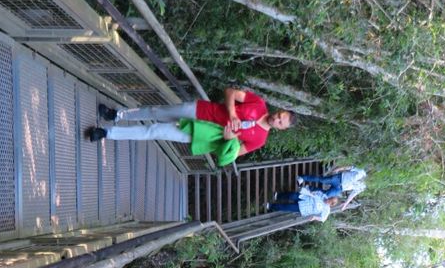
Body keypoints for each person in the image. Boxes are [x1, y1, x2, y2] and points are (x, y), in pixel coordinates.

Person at [87, 88, 293, 161]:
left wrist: (229, 139)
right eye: (280, 115)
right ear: (279, 110)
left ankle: (106, 132)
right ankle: (117, 114)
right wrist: (232, 112)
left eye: (281, 122)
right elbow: (231, 92)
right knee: (156, 112)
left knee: (154, 130)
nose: (277, 118)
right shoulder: (258, 104)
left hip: (200, 134)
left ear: (282, 129)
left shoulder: (260, 140)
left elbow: (231, 154)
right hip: (201, 110)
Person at [298, 166, 366, 210]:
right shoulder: (362, 172)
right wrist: (339, 169)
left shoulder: (362, 187)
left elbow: (352, 195)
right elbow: (350, 167)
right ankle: (302, 178)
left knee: (326, 195)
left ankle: (309, 188)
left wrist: (345, 204)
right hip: (339, 178)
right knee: (322, 180)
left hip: (340, 188)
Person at [267, 187, 339, 222]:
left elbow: (323, 219)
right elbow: (317, 192)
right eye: (329, 198)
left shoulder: (326, 210)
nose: (327, 200)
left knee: (287, 207)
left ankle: (271, 206)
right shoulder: (324, 196)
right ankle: (278, 196)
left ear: (331, 204)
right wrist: (312, 192)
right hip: (305, 198)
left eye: (329, 201)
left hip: (303, 208)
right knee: (292, 195)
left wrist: (315, 218)